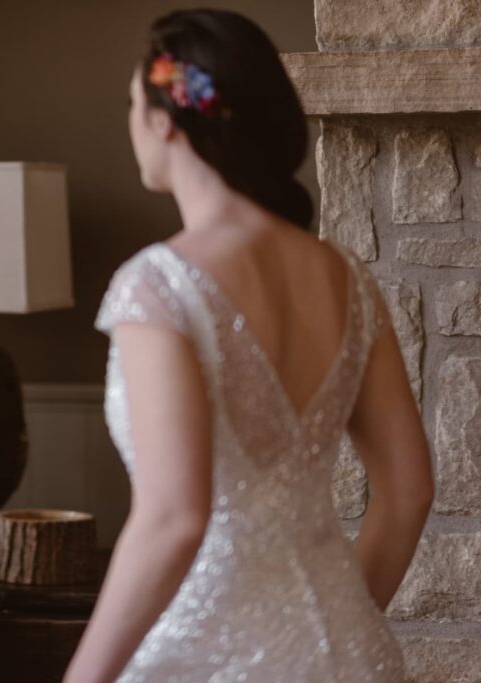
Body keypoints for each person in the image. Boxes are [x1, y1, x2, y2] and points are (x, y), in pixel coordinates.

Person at [64, 10, 432, 682]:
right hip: (349, 652)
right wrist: (342, 622)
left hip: (207, 655)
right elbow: (407, 490)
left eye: (130, 104)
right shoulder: (349, 279)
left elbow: (174, 518)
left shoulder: (159, 284)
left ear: (165, 118)